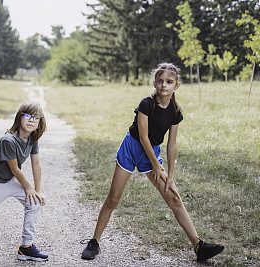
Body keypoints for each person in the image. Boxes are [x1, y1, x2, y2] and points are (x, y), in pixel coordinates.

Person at [81, 63, 224, 263]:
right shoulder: (146, 104)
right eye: (160, 81)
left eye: (169, 82)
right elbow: (143, 136)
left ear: (177, 85)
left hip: (152, 153)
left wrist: (170, 177)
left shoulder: (175, 111)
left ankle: (199, 246)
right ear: (154, 83)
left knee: (174, 196)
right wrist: (156, 166)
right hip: (132, 148)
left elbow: (172, 145)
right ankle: (94, 241)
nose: (164, 85)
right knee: (114, 199)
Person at [0, 101, 49, 262]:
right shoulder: (8, 140)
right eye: (28, 116)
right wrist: (28, 187)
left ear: (40, 122)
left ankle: (26, 248)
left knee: (34, 203)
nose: (31, 120)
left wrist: (37, 190)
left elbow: (36, 164)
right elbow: (14, 169)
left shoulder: (33, 138)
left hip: (11, 180)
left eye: (36, 118)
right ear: (19, 118)